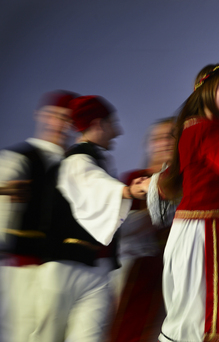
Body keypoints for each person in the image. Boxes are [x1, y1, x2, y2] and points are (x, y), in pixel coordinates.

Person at [143, 63, 219, 342]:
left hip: (216, 231)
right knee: (207, 324)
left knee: (209, 322)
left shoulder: (198, 129)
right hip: (207, 236)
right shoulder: (205, 130)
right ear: (207, 90)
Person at [31, 95, 146, 342]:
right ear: (98, 124)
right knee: (47, 337)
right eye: (112, 123)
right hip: (64, 268)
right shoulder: (77, 161)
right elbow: (94, 183)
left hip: (98, 271)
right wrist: (126, 191)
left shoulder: (98, 161)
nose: (118, 131)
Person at [0, 90, 78, 342]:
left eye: (68, 120)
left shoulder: (76, 163)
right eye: (56, 116)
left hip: (64, 267)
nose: (61, 125)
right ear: (41, 116)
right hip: (24, 264)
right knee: (23, 331)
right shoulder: (20, 157)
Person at [107, 117, 177, 342]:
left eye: (172, 137)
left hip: (176, 272)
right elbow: (117, 226)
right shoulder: (133, 181)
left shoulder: (189, 182)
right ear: (149, 144)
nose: (166, 142)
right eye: (159, 138)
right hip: (134, 270)